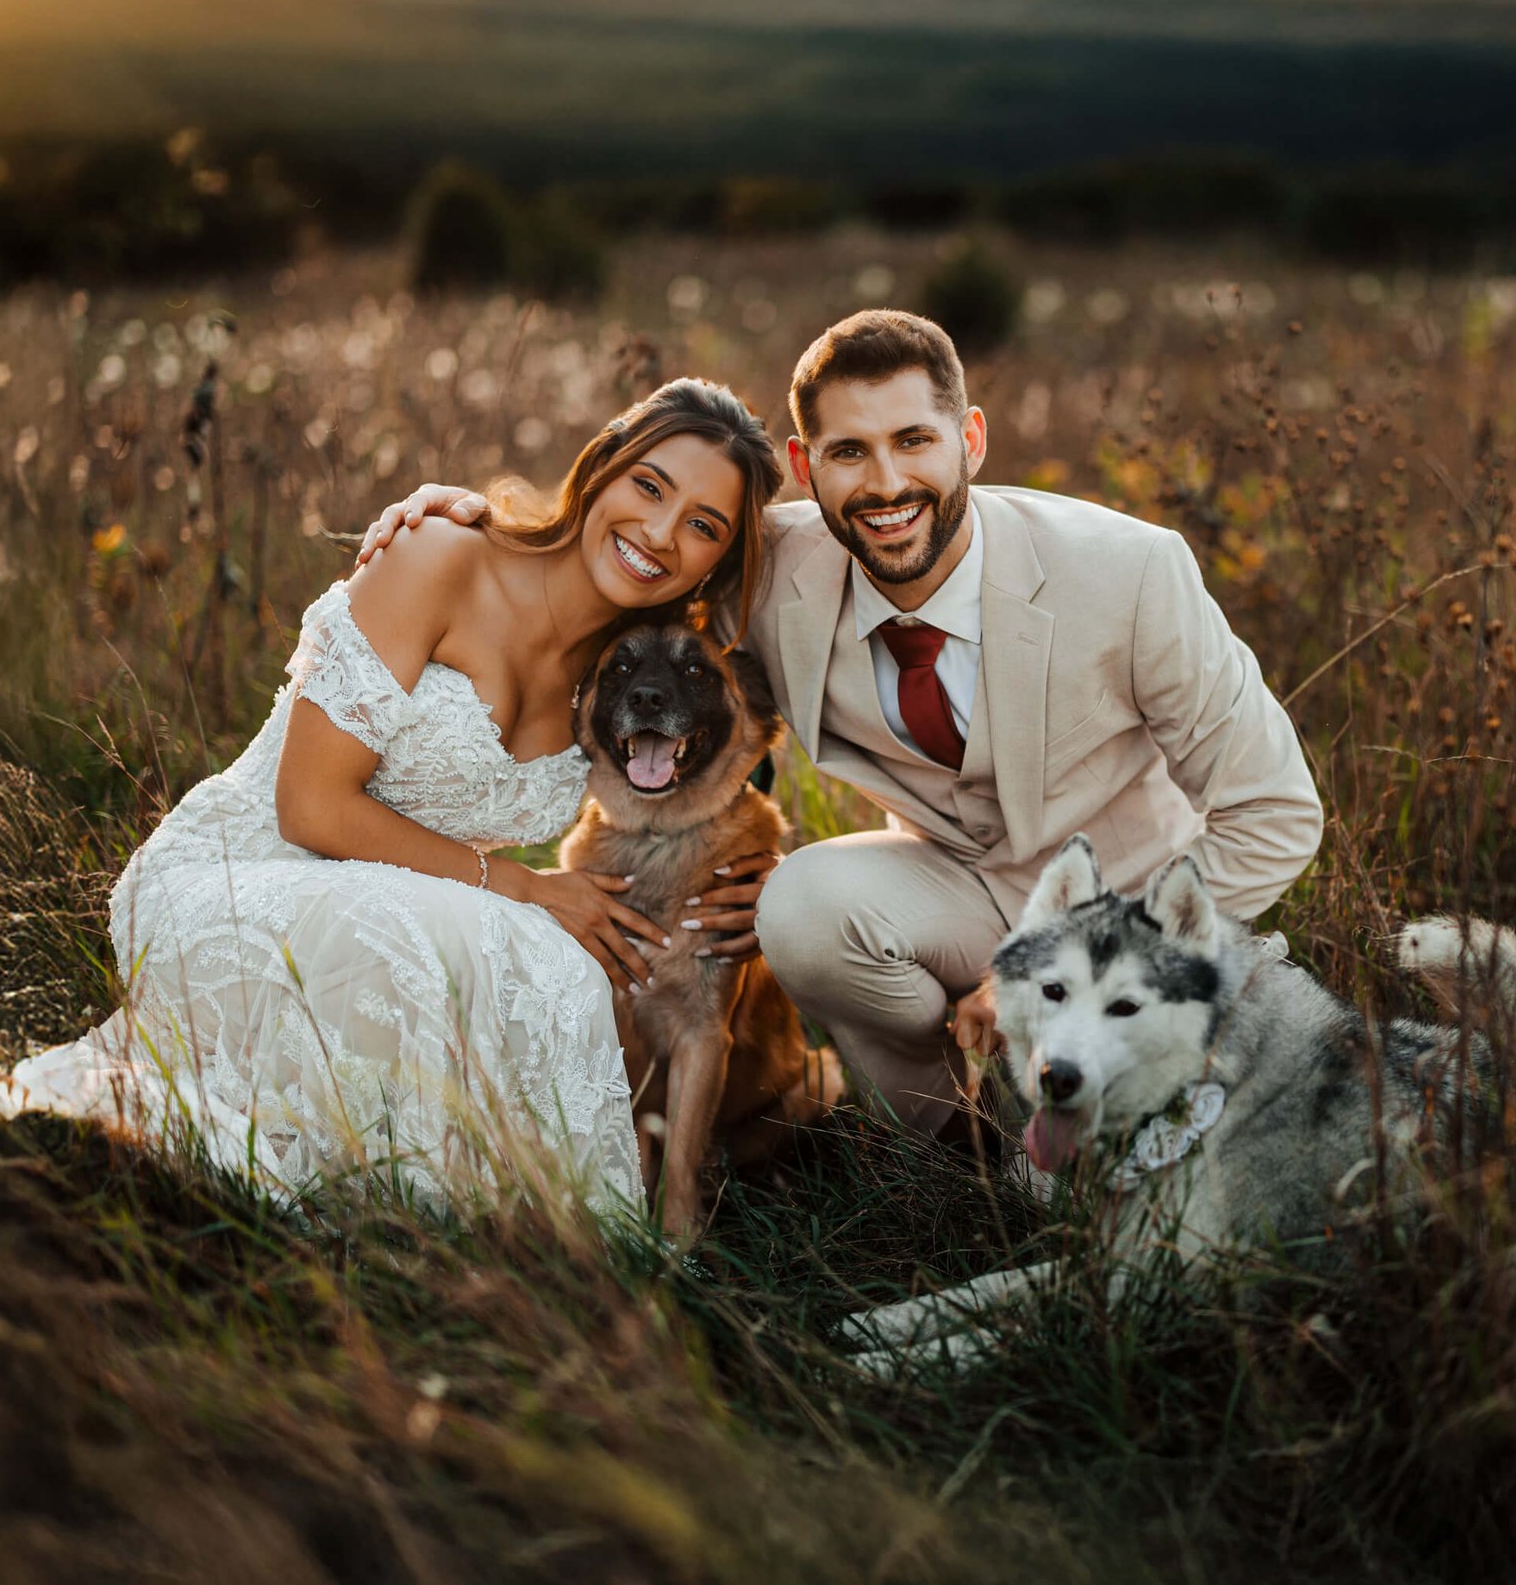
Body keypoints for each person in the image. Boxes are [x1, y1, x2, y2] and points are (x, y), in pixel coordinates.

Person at [356, 310, 1323, 1142]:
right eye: (850, 453)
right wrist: (483, 527)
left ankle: (1061, 1085)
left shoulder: (1132, 571)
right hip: (951, 885)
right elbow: (621, 561)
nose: (886, 484)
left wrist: (1082, 958)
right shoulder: (770, 563)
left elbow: (1275, 813)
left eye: (914, 441)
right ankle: (951, 1138)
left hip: (1123, 895)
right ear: (802, 467)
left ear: (971, 441)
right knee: (801, 907)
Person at [0, 379, 784, 1214]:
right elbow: (308, 806)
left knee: (556, 975)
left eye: (703, 526)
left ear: (719, 560)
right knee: (501, 942)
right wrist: (524, 885)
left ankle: (466, 1227)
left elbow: (718, 755)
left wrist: (765, 882)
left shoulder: (625, 668)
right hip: (251, 869)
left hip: (419, 899)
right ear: (600, 468)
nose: (661, 532)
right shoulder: (443, 556)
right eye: (649, 486)